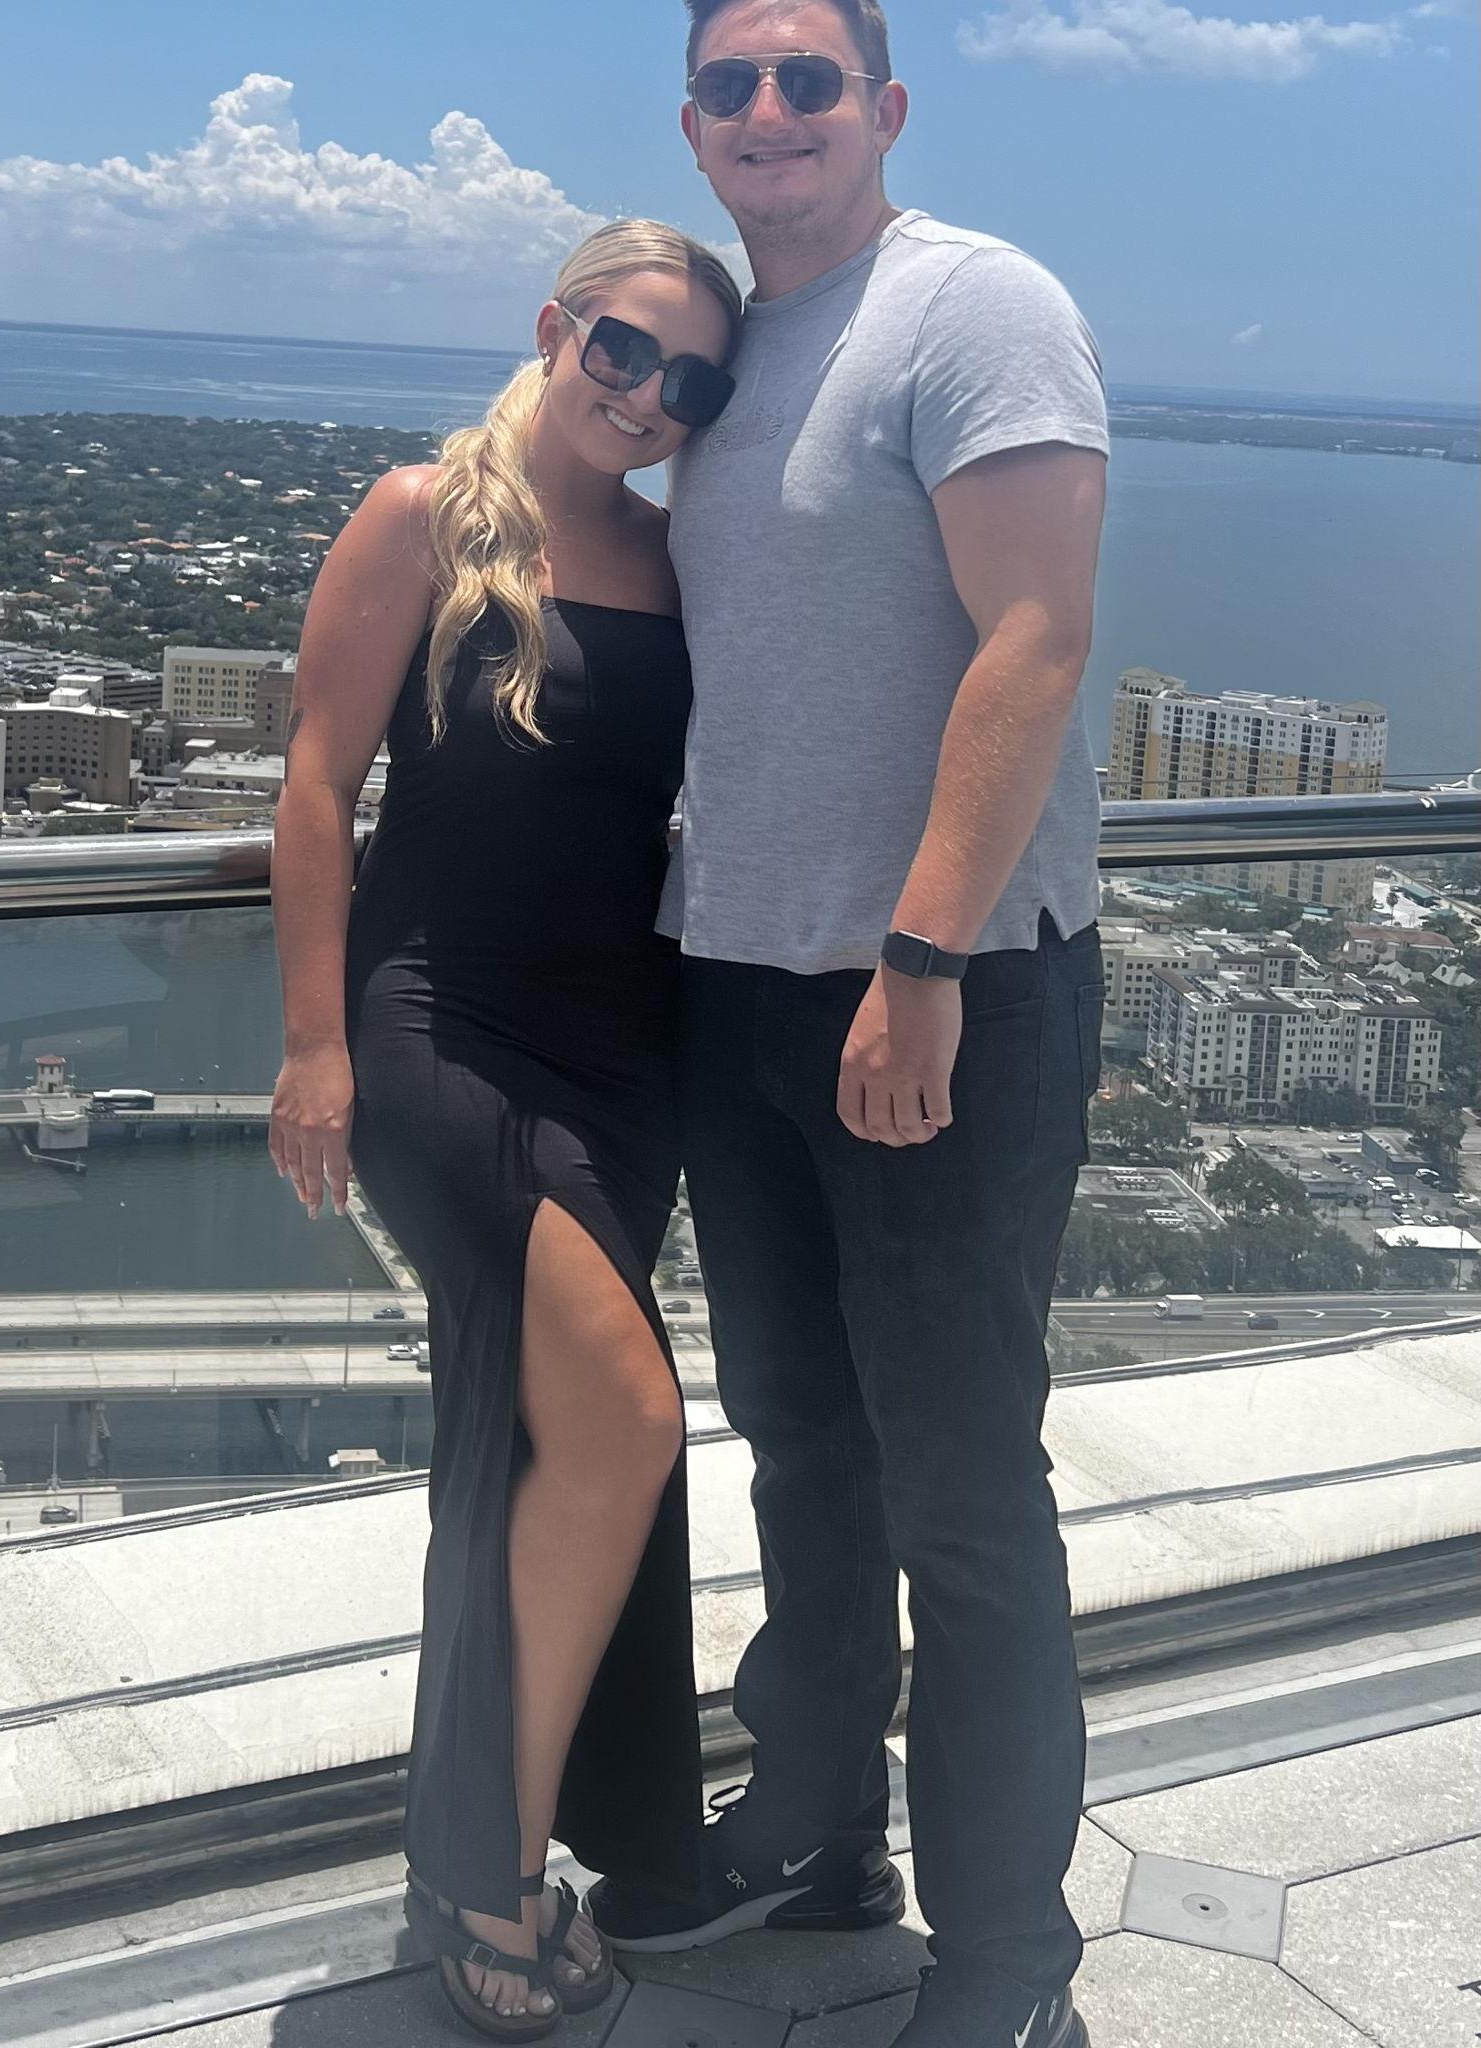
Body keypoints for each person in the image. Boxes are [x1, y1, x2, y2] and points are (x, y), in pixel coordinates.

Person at [587, 8, 1111, 2048]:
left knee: (960, 1497)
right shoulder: (725, 359)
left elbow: (1035, 637)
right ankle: (818, 1837)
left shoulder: (973, 307)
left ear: (881, 110)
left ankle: (1008, 1964)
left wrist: (919, 961)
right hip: (738, 985)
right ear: (692, 126)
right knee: (803, 1449)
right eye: (734, 83)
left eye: (810, 77)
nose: (771, 110)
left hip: (935, 989)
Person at [269, 219, 743, 2038]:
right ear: (556, 327)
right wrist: (315, 1043)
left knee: (544, 1441)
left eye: (692, 380)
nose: (648, 392)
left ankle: (508, 1834)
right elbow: (318, 783)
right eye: (622, 347)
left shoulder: (684, 560)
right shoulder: (423, 518)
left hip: (627, 1057)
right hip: (437, 1031)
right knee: (625, 1417)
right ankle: (492, 1868)